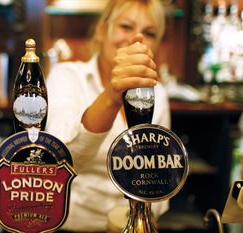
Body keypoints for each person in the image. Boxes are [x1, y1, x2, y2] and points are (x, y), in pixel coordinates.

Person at [45, 0, 171, 232]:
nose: (136, 39)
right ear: (102, 31)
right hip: (71, 227)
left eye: (149, 32)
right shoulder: (67, 77)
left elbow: (160, 171)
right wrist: (112, 97)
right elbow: (59, 162)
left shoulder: (159, 93)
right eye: (126, 26)